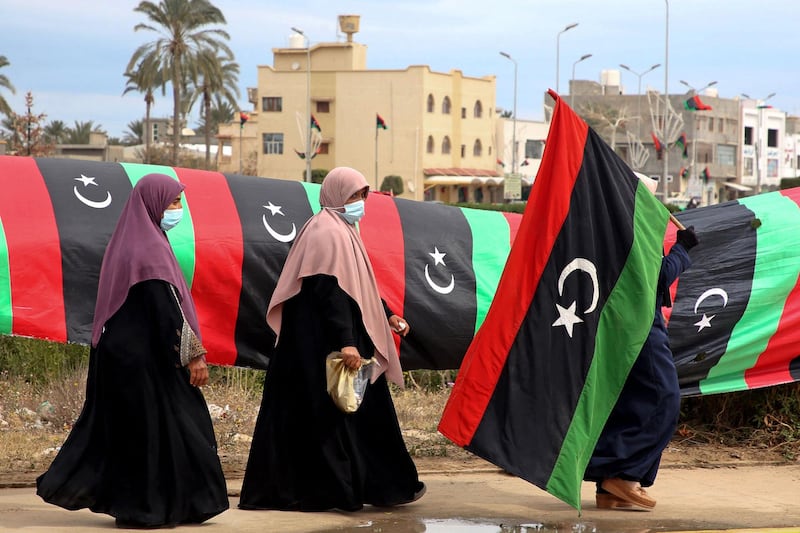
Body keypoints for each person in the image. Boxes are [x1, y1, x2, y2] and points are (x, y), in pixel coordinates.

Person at [36, 173, 229, 529]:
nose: (178, 210)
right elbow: (168, 309)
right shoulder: (151, 250)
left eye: (179, 202)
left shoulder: (131, 241)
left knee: (141, 432)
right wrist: (194, 356)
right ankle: (158, 507)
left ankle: (149, 505)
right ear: (153, 204)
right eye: (172, 202)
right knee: (171, 428)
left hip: (124, 357)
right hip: (143, 361)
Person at [239, 166, 425, 512]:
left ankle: (387, 486)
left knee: (365, 413)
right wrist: (346, 343)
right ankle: (339, 490)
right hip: (323, 349)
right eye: (354, 196)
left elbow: (358, 285)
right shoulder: (327, 233)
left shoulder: (342, 229)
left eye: (363, 196)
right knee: (330, 417)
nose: (360, 203)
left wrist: (386, 315)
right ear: (336, 195)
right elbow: (330, 293)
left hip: (339, 343)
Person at [584, 223, 699, 510]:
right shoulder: (633, 223)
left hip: (617, 321)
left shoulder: (605, 223)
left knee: (629, 403)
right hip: (641, 323)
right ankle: (624, 475)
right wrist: (682, 250)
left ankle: (609, 487)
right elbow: (654, 277)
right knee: (664, 399)